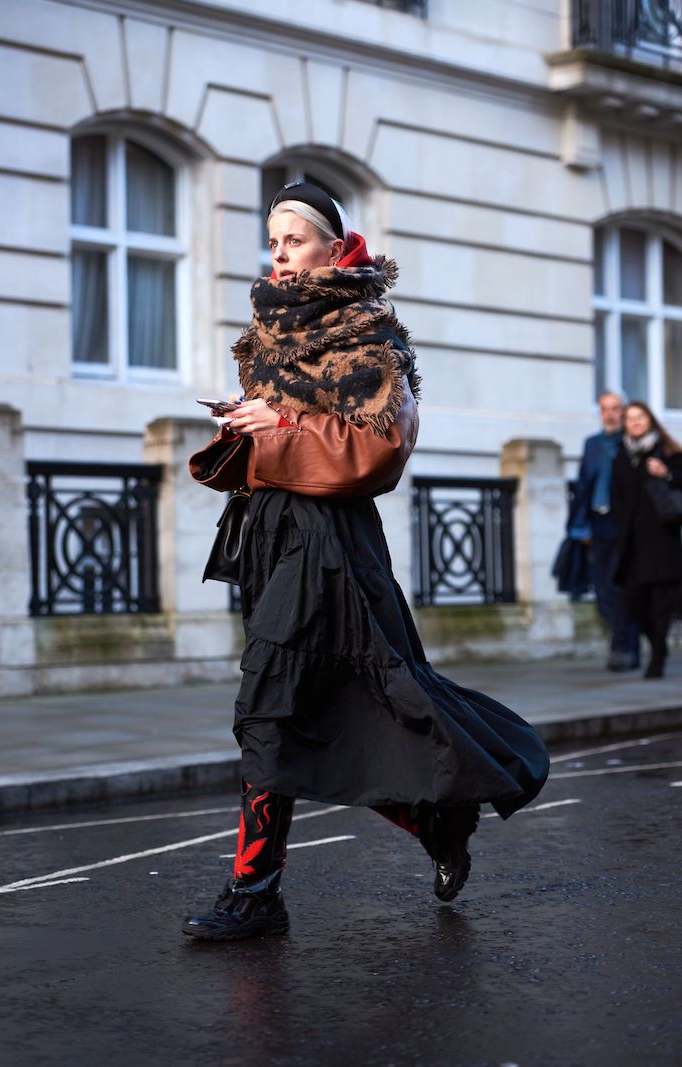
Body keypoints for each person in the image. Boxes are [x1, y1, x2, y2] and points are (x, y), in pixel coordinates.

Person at [182, 182, 550, 942]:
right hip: (272, 534)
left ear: (334, 246)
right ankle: (434, 821)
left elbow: (379, 449)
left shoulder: (369, 334)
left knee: (268, 711)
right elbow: (289, 434)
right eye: (273, 241)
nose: (280, 254)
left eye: (294, 239)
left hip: (328, 543)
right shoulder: (269, 333)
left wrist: (279, 423)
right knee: (314, 711)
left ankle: (255, 892)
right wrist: (248, 424)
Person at [568, 391, 640, 670]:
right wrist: (580, 526)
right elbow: (583, 485)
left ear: (623, 412)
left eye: (615, 409)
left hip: (623, 525)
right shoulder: (592, 444)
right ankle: (627, 645)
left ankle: (623, 648)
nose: (610, 414)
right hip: (597, 523)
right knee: (603, 591)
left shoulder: (630, 443)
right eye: (604, 409)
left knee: (620, 587)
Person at [610, 401, 682, 679]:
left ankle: (658, 657)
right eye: (630, 418)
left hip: (662, 538)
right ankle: (657, 645)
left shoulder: (668, 452)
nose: (635, 422)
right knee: (634, 601)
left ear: (650, 420)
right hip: (632, 542)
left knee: (662, 603)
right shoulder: (621, 456)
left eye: (640, 416)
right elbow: (617, 495)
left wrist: (667, 473)